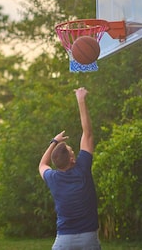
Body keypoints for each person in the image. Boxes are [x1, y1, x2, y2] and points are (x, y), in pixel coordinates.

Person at [38, 87, 101, 250]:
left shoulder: (53, 178)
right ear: (72, 159)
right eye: (73, 150)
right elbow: (87, 133)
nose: (75, 151)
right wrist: (81, 100)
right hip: (89, 238)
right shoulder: (82, 169)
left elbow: (42, 165)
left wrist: (54, 142)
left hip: (64, 241)